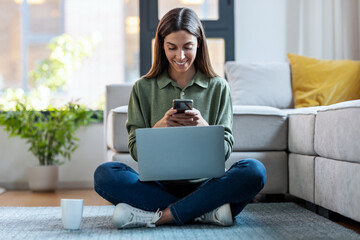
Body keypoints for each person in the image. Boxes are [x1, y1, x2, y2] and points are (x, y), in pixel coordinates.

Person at [94, 7, 266, 229]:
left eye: (188, 47)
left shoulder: (218, 87)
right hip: (157, 186)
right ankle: (205, 211)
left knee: (254, 171)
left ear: (199, 45)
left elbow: (225, 151)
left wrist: (204, 128)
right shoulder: (143, 88)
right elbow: (136, 151)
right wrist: (160, 126)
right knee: (105, 174)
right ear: (161, 46)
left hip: (207, 185)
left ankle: (162, 216)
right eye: (172, 47)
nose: (180, 56)